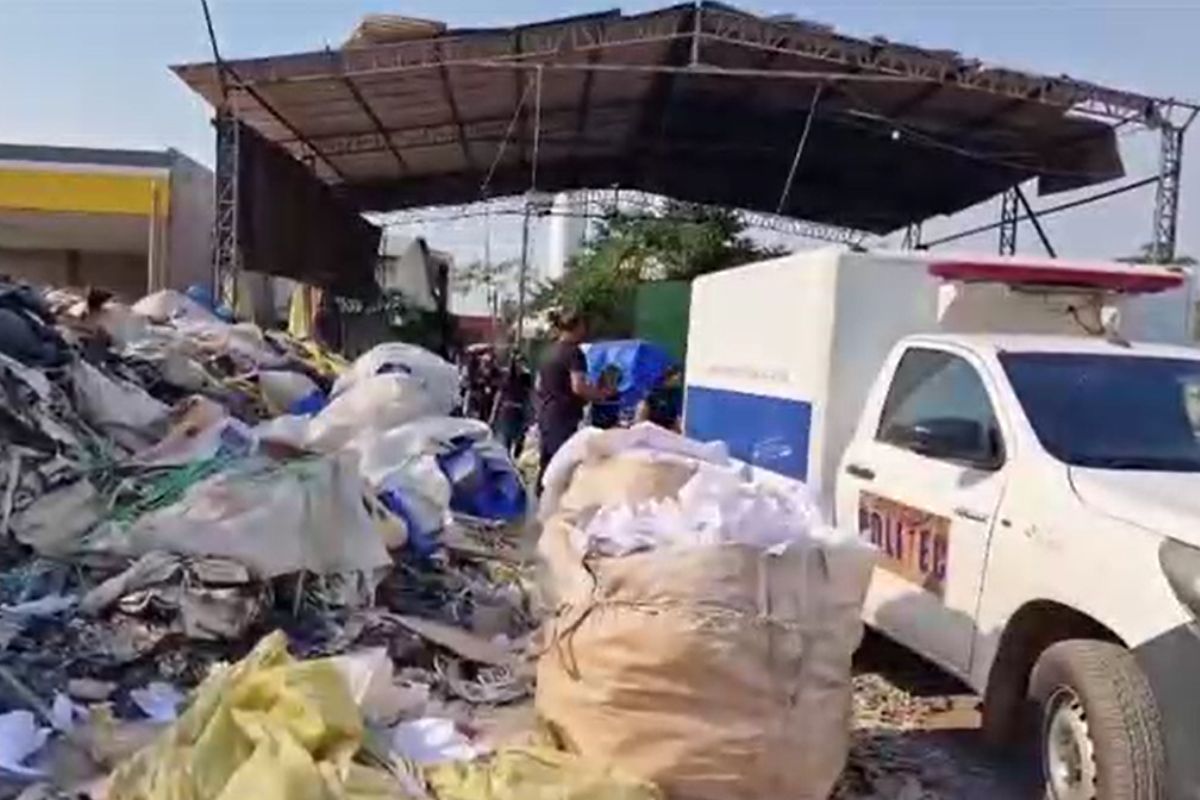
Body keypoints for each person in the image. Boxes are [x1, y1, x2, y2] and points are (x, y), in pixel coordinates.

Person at [536, 310, 613, 488]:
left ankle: (541, 507)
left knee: (547, 466)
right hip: (564, 416)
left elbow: (539, 384)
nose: (585, 330)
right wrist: (601, 395)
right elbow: (578, 386)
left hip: (546, 413)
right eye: (583, 326)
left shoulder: (548, 352)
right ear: (577, 327)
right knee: (564, 468)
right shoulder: (574, 353)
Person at [495, 354, 533, 458]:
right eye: (519, 362)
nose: (521, 365)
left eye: (523, 363)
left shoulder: (526, 378)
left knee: (519, 438)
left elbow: (529, 395)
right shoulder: (508, 377)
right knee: (506, 439)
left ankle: (515, 457)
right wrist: (494, 413)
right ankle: (506, 459)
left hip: (520, 411)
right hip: (508, 411)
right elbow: (499, 395)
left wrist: (530, 413)